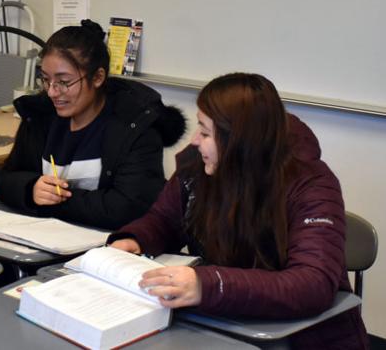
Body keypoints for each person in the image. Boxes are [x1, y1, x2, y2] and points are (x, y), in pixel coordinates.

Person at [109, 73, 368, 349]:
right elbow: (165, 219)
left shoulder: (311, 184)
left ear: (239, 141)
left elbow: (312, 283)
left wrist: (209, 284)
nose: (195, 141)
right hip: (226, 327)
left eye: (206, 132)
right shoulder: (201, 167)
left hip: (305, 339)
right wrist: (136, 239)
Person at [0, 20, 186, 230]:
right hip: (43, 241)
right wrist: (30, 189)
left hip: (107, 249)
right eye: (46, 80)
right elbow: (5, 180)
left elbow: (126, 208)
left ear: (97, 77)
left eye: (64, 82)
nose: (52, 92)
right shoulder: (40, 115)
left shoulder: (134, 126)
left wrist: (55, 202)